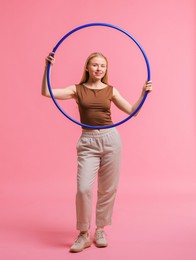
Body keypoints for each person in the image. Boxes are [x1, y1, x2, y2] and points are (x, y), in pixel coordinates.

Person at [42, 52, 152, 253]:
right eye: (94, 65)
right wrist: (47, 67)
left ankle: (100, 230)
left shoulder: (110, 90)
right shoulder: (77, 89)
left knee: (108, 188)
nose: (99, 69)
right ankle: (83, 234)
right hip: (88, 141)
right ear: (87, 67)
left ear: (106, 69)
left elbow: (132, 111)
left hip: (111, 140)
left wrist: (143, 93)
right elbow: (46, 92)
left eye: (102, 65)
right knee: (83, 188)